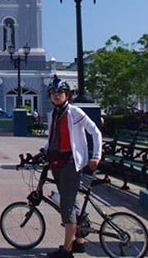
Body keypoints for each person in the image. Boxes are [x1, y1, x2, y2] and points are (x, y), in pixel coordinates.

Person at [45, 77, 102, 258]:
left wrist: (96, 156)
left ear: (67, 94)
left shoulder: (75, 112)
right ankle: (79, 242)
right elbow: (52, 138)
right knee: (72, 202)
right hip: (57, 162)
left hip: (71, 163)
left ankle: (67, 250)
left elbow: (95, 131)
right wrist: (42, 152)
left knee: (67, 206)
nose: (56, 96)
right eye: (53, 93)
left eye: (60, 93)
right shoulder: (53, 114)